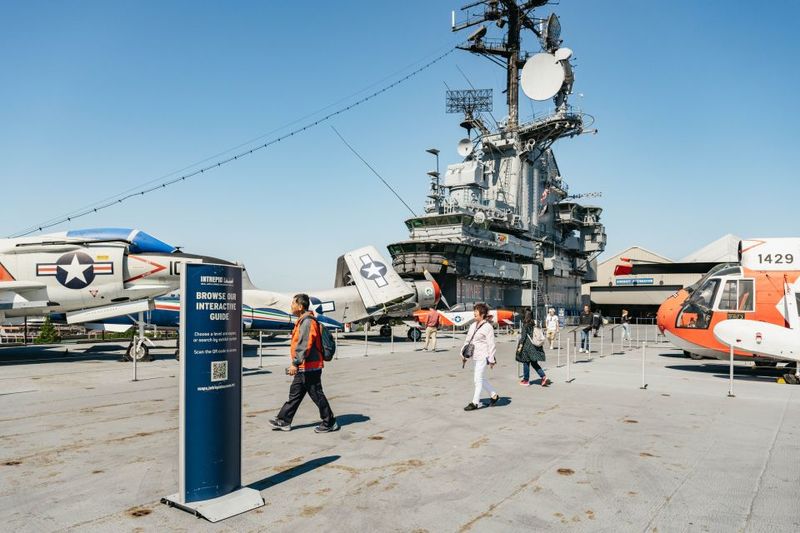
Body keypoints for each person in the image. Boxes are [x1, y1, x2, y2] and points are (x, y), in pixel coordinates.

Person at [269, 294, 338, 433]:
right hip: (304, 366)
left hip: (310, 367)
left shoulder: (307, 322)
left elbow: (304, 344)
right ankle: (284, 421)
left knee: (317, 394)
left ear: (300, 306)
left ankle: (330, 422)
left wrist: (295, 363)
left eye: (293, 304)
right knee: (295, 394)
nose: (291, 306)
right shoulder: (302, 320)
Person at [461, 303, 499, 411]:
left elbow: (491, 345)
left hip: (483, 356)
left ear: (482, 315)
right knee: (481, 378)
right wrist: (463, 355)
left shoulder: (488, 327)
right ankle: (494, 395)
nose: (474, 316)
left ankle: (475, 402)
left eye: (476, 314)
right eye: (474, 314)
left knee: (477, 379)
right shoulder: (473, 326)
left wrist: (491, 360)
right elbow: (468, 340)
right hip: (474, 356)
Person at [517, 309, 550, 387]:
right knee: (534, 363)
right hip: (534, 345)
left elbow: (523, 337)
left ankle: (526, 380)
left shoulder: (525, 324)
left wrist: (519, 347)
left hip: (527, 347)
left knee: (526, 363)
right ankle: (543, 377)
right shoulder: (535, 323)